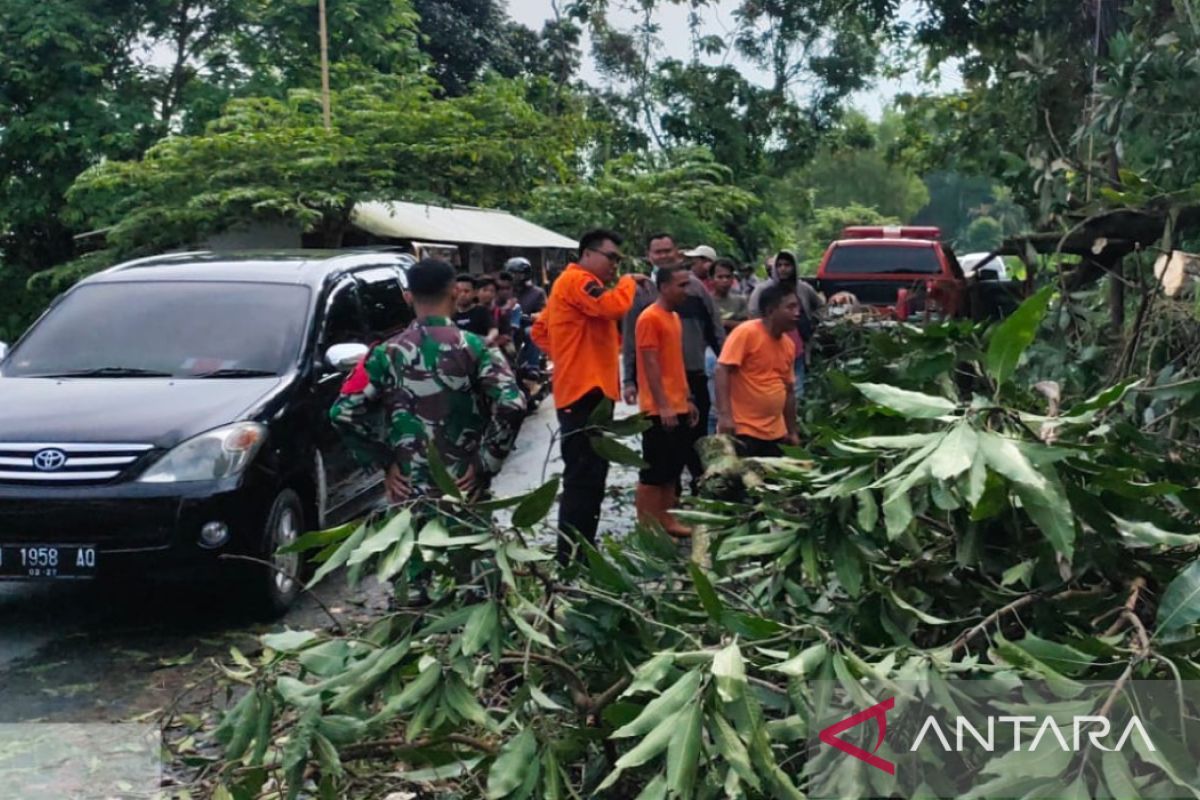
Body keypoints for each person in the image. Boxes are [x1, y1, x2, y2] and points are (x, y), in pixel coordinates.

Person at [330, 258, 525, 503]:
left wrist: (385, 462)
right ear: (455, 292)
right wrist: (486, 461)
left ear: (407, 297)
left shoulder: (383, 354)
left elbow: (342, 412)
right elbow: (513, 403)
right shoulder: (478, 348)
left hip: (409, 490)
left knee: (412, 541)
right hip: (464, 488)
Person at [531, 230, 649, 562]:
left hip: (586, 391)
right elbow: (612, 305)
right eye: (612, 258)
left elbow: (540, 331)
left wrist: (572, 352)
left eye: (619, 262)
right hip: (585, 393)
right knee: (584, 478)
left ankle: (580, 550)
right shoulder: (577, 281)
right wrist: (628, 281)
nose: (615, 265)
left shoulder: (566, 288)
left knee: (590, 475)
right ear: (586, 254)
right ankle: (572, 556)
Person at [621, 233, 724, 492]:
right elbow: (631, 338)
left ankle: (698, 495)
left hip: (693, 375)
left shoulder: (695, 287)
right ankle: (664, 507)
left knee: (695, 440)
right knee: (660, 453)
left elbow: (714, 326)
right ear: (649, 256)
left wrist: (724, 360)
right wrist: (629, 379)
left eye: (668, 250)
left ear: (676, 252)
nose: (664, 255)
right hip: (658, 385)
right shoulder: (641, 291)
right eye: (658, 252)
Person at [635, 265, 699, 538]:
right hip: (657, 408)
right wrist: (662, 405)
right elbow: (650, 365)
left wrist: (687, 398)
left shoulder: (673, 318)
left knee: (672, 467)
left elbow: (675, 364)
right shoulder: (649, 318)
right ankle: (649, 529)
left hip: (678, 404)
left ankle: (668, 521)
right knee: (653, 471)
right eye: (681, 285)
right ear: (663, 287)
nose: (687, 290)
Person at [715, 283, 802, 458]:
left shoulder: (788, 345)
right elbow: (722, 370)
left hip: (776, 433)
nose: (797, 313)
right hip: (745, 430)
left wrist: (791, 431)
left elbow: (789, 391)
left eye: (798, 307)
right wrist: (725, 416)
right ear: (771, 311)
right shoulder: (746, 333)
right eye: (790, 307)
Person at [748, 250, 822, 398]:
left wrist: (812, 323)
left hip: (797, 345)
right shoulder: (763, 289)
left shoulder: (802, 288)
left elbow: (820, 306)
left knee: (797, 389)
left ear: (794, 266)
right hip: (770, 344)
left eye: (787, 265)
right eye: (779, 265)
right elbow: (753, 314)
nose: (783, 269)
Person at [710, 258, 749, 333]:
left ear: (732, 279)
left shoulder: (740, 301)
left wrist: (725, 323)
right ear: (712, 279)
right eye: (720, 277)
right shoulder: (706, 301)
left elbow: (747, 325)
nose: (725, 280)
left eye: (728, 277)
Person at [453, 273, 496, 339]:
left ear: (474, 293)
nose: (462, 295)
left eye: (466, 291)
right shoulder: (450, 313)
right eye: (459, 291)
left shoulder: (482, 311)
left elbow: (493, 330)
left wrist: (489, 339)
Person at [475, 275, 510, 347]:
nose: (488, 293)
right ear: (476, 292)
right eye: (484, 290)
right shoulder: (472, 311)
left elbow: (506, 336)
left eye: (492, 291)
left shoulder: (501, 313)